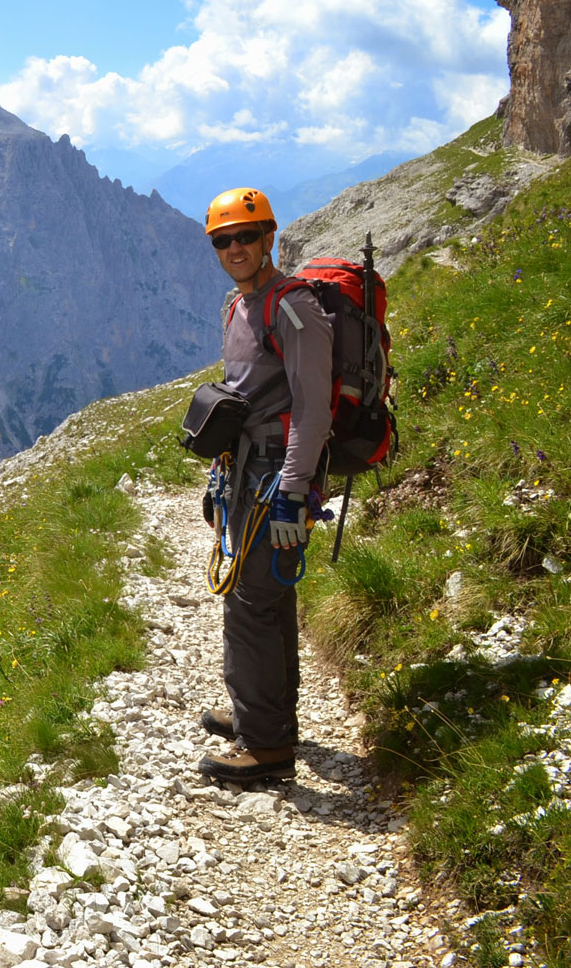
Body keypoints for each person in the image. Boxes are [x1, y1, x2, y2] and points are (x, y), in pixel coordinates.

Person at [197, 188, 333, 783]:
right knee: (265, 598)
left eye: (245, 236)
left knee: (252, 604)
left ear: (269, 237)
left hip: (277, 476)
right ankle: (266, 716)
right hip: (245, 473)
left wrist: (294, 491)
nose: (235, 248)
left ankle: (266, 745)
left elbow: (314, 409)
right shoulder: (238, 305)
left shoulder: (292, 307)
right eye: (222, 240)